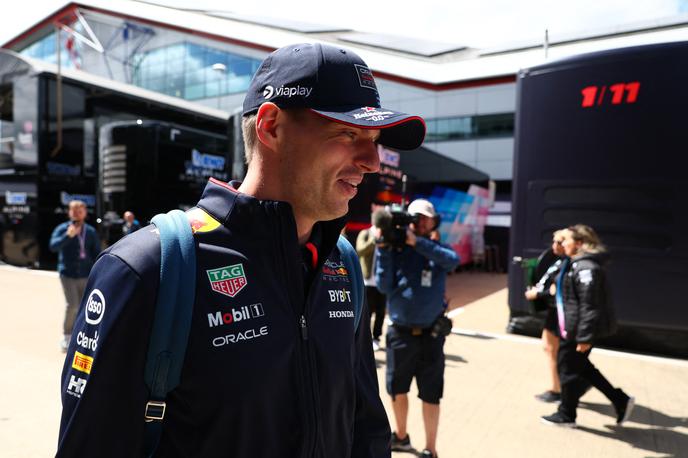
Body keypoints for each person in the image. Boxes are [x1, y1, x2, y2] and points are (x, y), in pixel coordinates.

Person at [57, 42, 426, 457]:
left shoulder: (341, 264)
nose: (372, 161)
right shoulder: (148, 268)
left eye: (374, 139)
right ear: (270, 127)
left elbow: (365, 430)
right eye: (349, 134)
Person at [376, 198, 460, 458]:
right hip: (400, 332)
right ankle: (401, 436)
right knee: (397, 388)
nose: (420, 222)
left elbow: (452, 260)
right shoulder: (395, 251)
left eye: (426, 218)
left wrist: (418, 243)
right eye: (416, 217)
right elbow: (383, 286)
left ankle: (430, 449)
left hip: (431, 335)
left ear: (434, 221)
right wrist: (384, 248)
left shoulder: (436, 249)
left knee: (431, 393)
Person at [541, 225, 635, 428]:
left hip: (576, 330)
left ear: (580, 243)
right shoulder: (576, 263)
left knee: (568, 368)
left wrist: (584, 337)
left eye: (566, 240)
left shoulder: (586, 268)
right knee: (581, 368)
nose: (562, 244)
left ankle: (567, 414)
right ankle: (620, 400)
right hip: (572, 327)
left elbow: (589, 305)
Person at [49, 200, 101, 352]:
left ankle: (81, 335)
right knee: (72, 305)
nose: (77, 213)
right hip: (68, 274)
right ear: (69, 212)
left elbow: (96, 252)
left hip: (86, 274)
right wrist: (67, 236)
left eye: (80, 210)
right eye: (74, 210)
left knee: (85, 307)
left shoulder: (90, 231)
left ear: (85, 212)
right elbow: (53, 246)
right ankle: (66, 335)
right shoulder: (62, 228)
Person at [525, 229, 567, 403]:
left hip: (560, 312)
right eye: (554, 241)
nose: (555, 245)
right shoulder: (559, 261)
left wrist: (539, 294)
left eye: (560, 242)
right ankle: (559, 387)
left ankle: (557, 389)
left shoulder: (567, 264)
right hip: (555, 311)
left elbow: (556, 290)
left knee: (552, 349)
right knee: (550, 348)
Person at [357, 207, 387, 351]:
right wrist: (374, 240)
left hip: (382, 281)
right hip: (367, 280)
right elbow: (360, 250)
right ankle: (365, 339)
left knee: (381, 312)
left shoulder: (387, 235)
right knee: (367, 312)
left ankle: (376, 337)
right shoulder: (366, 233)